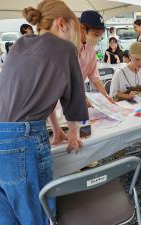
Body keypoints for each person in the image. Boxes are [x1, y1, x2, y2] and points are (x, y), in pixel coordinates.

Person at [0, 1, 88, 225]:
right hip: (23, 138)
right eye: (74, 29)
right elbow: (74, 95)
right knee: (37, 213)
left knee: (5, 213)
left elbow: (37, 93)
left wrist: (56, 129)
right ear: (61, 24)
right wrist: (73, 132)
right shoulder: (65, 49)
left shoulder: (20, 44)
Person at [50, 10, 113, 145]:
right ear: (82, 28)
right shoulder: (66, 46)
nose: (97, 38)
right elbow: (67, 81)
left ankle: (85, 161)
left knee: (83, 136)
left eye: (100, 36)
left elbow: (94, 76)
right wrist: (83, 98)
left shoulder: (90, 49)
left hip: (76, 99)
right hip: (58, 104)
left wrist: (105, 96)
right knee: (64, 140)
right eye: (96, 34)